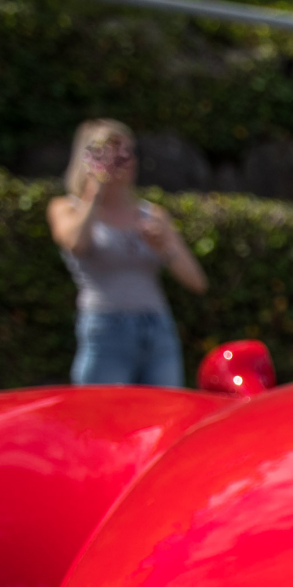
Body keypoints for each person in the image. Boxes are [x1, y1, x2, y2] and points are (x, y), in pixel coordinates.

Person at [47, 119, 207, 387]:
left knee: (163, 417)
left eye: (127, 152)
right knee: (100, 417)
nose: (121, 161)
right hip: (105, 328)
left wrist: (164, 248)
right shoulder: (67, 208)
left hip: (157, 328)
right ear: (86, 159)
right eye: (108, 154)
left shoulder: (153, 215)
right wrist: (94, 191)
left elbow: (197, 282)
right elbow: (75, 243)